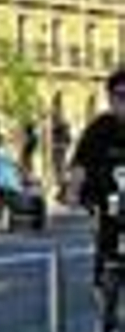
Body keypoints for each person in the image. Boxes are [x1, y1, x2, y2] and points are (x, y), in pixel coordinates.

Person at [60, 66, 125, 289]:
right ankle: (104, 288)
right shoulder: (100, 127)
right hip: (107, 197)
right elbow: (81, 163)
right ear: (110, 98)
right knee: (107, 239)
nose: (122, 102)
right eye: (118, 96)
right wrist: (73, 192)